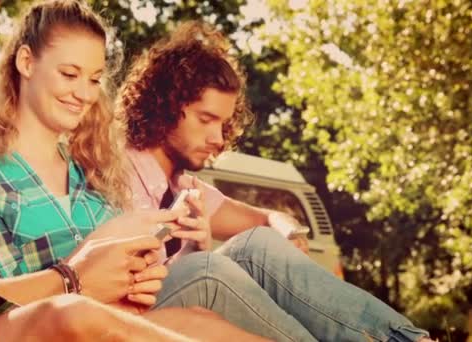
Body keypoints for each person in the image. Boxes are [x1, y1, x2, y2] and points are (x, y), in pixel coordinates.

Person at [0, 1, 265, 341]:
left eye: (94, 79)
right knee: (211, 273)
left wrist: (136, 276)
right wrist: (76, 273)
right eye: (69, 74)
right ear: (26, 63)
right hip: (59, 321)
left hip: (94, 317)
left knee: (204, 312)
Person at [116, 20, 435, 342]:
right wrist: (194, 255)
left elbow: (266, 219)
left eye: (224, 124)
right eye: (206, 119)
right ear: (164, 106)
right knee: (209, 269)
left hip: (173, 307)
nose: (217, 138)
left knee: (258, 244)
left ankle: (408, 340)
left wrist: (288, 228)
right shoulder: (112, 169)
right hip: (118, 318)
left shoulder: (185, 189)